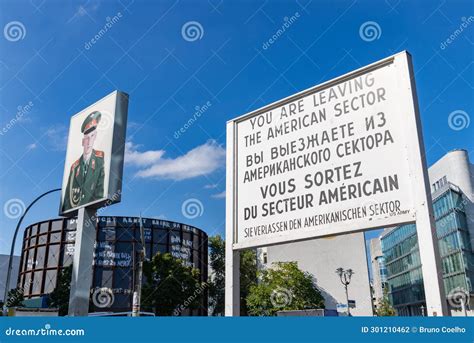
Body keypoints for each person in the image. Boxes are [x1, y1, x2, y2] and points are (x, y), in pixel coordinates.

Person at [62, 111, 105, 212]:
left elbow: (100, 193)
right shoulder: (74, 167)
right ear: (82, 141)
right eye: (86, 138)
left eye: (92, 136)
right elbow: (68, 200)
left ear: (95, 137)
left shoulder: (99, 160)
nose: (89, 142)